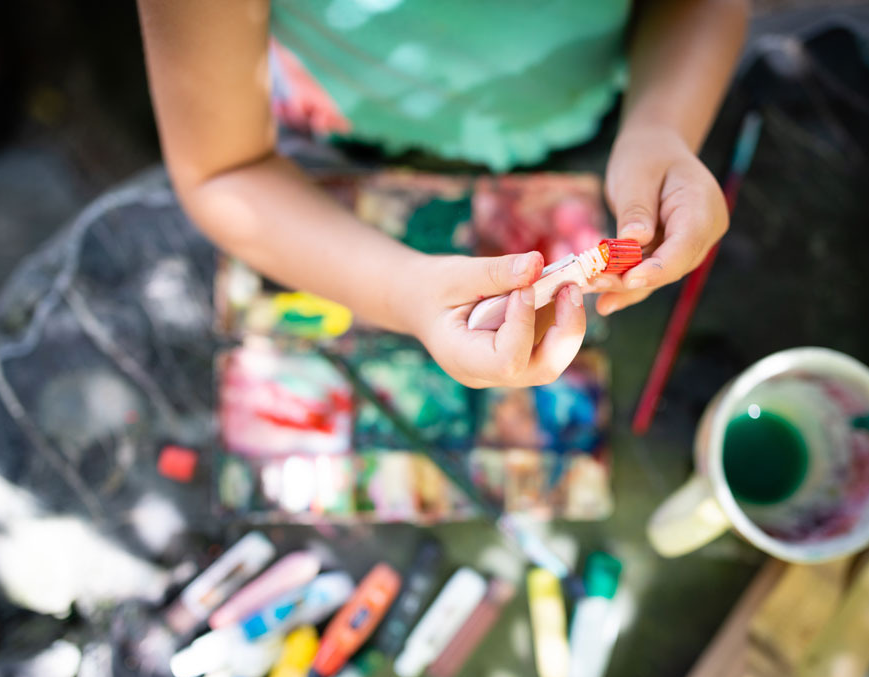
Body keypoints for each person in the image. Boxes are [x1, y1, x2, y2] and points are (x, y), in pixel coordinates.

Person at [135, 0, 747, 388]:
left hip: (588, 123)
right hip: (333, 143)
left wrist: (660, 129)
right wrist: (405, 294)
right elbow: (222, 170)